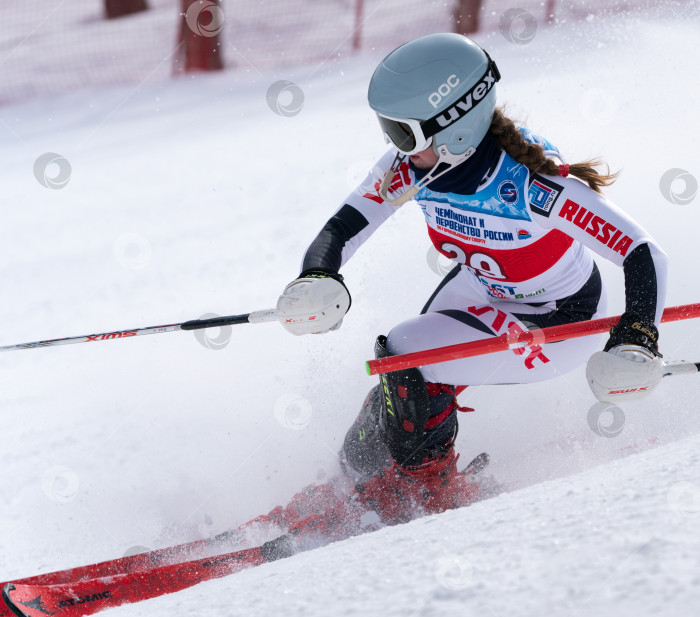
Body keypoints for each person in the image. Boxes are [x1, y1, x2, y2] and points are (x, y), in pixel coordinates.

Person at [274, 33, 668, 530]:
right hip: (486, 288)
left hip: (559, 320)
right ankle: (351, 480)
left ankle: (428, 488)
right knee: (396, 385)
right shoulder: (414, 168)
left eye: (402, 133)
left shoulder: (533, 186)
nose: (393, 146)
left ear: (454, 129)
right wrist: (318, 274)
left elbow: (641, 250)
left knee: (408, 355)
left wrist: (637, 338)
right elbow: (344, 226)